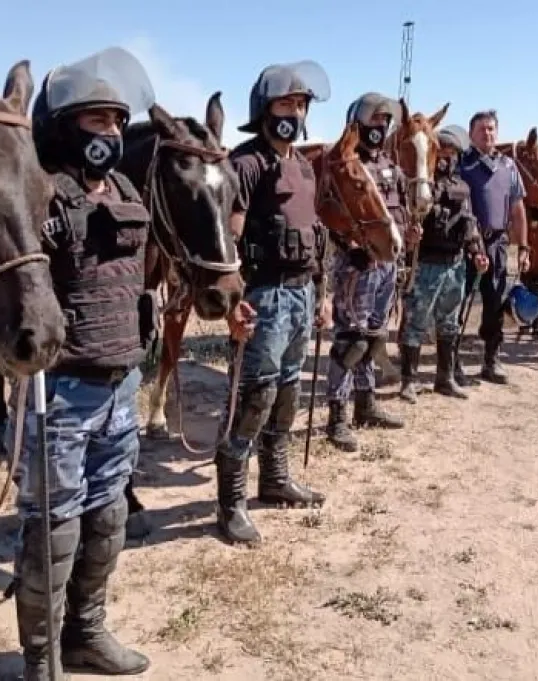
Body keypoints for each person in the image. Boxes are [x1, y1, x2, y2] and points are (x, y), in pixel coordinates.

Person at [5, 48, 158, 680]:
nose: (113, 134)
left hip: (121, 384)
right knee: (53, 529)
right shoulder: (42, 196)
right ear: (66, 126)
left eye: (118, 121)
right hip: (61, 392)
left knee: (109, 517)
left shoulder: (124, 190)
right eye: (98, 121)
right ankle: (42, 661)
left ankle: (86, 634)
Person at [215, 61, 331, 545]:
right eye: (286, 104)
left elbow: (314, 235)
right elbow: (228, 240)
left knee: (287, 393)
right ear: (265, 109)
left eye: (301, 105)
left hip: (301, 294)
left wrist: (321, 296)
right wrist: (233, 303)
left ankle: (276, 480)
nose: (296, 112)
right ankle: (231, 503)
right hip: (263, 296)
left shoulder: (302, 165)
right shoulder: (245, 164)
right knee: (254, 397)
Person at [323, 92, 407, 452]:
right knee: (350, 339)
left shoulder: (390, 165)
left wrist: (406, 234)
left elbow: (397, 209)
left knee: (374, 335)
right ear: (356, 123)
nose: (379, 127)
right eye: (373, 121)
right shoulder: (343, 163)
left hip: (387, 264)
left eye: (385, 122)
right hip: (357, 264)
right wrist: (349, 248)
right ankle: (337, 416)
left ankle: (366, 403)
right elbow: (329, 214)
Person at [399, 125, 488, 401]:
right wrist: (411, 237)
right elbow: (406, 222)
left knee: (449, 324)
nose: (448, 158)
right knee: (415, 323)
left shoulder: (462, 188)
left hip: (455, 265)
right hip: (426, 265)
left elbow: (471, 223)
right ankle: (408, 380)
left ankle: (445, 377)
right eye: (443, 152)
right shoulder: (422, 187)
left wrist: (478, 252)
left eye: (452, 153)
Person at [458, 110, 531, 385]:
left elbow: (517, 208)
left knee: (495, 302)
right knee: (459, 304)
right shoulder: (462, 165)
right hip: (467, 243)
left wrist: (523, 246)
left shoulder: (508, 166)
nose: (487, 134)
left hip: (498, 242)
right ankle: (452, 362)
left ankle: (491, 359)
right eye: (481, 129)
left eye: (491, 129)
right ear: (471, 133)